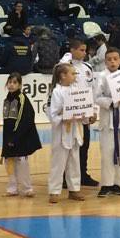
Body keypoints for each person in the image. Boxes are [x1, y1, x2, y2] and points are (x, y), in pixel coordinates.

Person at [58, 39, 99, 187]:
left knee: (84, 145)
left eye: (85, 50)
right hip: (70, 114)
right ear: (72, 50)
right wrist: (67, 58)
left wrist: (94, 110)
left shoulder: (87, 67)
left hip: (85, 113)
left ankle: (82, 174)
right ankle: (65, 177)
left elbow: (93, 90)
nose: (84, 53)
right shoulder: (64, 65)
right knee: (68, 147)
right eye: (81, 50)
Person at [47, 61, 89, 203]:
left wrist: (86, 115)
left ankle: (74, 189)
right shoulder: (57, 92)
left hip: (75, 131)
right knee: (58, 163)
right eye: (72, 73)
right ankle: (54, 191)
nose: (75, 76)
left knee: (74, 162)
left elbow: (82, 109)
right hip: (61, 132)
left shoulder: (76, 90)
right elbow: (53, 115)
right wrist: (64, 117)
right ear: (63, 75)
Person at [96, 47, 120, 196]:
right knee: (107, 153)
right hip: (108, 120)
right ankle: (106, 184)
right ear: (105, 62)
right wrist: (112, 102)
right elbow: (96, 97)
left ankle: (117, 183)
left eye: (115, 59)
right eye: (109, 59)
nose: (112, 62)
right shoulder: (102, 76)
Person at [1, 73, 41, 197]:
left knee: (21, 162)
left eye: (15, 82)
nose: (11, 85)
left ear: (19, 85)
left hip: (19, 137)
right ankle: (12, 189)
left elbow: (25, 119)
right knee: (9, 162)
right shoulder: (6, 100)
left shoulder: (22, 98)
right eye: (10, 82)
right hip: (8, 137)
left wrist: (15, 137)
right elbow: (7, 122)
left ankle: (27, 189)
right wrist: (7, 138)